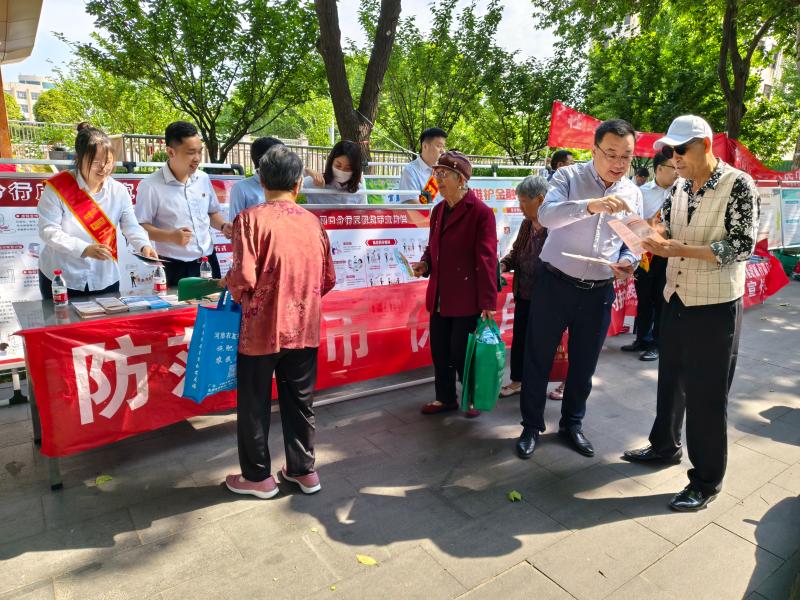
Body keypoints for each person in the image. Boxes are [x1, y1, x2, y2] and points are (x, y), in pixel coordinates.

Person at [623, 115, 759, 512]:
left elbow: (741, 246)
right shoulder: (680, 186)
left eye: (681, 150)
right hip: (676, 297)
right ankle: (664, 445)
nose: (675, 158)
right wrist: (646, 236)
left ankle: (706, 480)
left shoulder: (738, 184)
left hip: (715, 306)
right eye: (670, 151)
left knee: (707, 394)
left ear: (705, 145)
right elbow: (663, 225)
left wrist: (680, 249)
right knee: (670, 380)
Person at [516, 119, 643, 460]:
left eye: (626, 156)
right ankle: (531, 426)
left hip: (599, 289)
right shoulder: (568, 178)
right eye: (611, 154)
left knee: (584, 364)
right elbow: (547, 215)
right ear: (594, 150)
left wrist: (628, 260)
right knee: (538, 358)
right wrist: (591, 206)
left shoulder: (632, 193)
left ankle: (572, 424)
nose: (619, 163)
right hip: (555, 283)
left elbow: (634, 240)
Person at [223, 145, 336, 499]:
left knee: (254, 404)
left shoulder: (250, 220)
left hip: (260, 331)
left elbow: (243, 277)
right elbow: (328, 278)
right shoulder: (313, 222)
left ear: (261, 180)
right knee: (300, 402)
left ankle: (258, 477)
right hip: (304, 328)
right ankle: (304, 471)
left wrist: (228, 285)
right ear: (298, 184)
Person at [411, 151, 498, 418]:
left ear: (461, 179)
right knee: (440, 351)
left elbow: (487, 259)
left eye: (443, 174)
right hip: (439, 294)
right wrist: (425, 264)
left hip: (465, 297)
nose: (437, 179)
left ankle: (471, 397)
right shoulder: (438, 211)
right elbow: (432, 247)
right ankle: (445, 398)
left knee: (462, 352)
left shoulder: (480, 213)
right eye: (436, 174)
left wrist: (488, 302)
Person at [38, 123, 157, 298]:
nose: (103, 168)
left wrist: (144, 245)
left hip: (104, 276)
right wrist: (84, 249)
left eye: (108, 162)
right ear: (79, 159)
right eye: (95, 162)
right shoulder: (57, 188)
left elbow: (131, 226)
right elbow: (48, 231)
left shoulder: (118, 191)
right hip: (62, 276)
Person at [134, 121, 232, 286]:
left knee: (213, 302)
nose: (197, 158)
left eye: (200, 151)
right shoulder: (150, 186)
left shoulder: (203, 178)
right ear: (170, 152)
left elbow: (211, 212)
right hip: (175, 266)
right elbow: (140, 227)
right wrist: (170, 236)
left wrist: (223, 226)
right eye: (191, 152)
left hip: (208, 260)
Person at [499, 175, 561, 398]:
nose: (520, 206)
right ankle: (518, 380)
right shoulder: (527, 224)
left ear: (541, 199)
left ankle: (553, 382)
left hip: (548, 297)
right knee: (520, 338)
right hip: (524, 293)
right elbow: (516, 252)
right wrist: (503, 264)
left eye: (524, 201)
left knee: (546, 343)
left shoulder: (556, 227)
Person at [621, 150, 678, 361]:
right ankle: (642, 339)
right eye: (673, 167)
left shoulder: (682, 193)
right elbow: (631, 220)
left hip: (668, 253)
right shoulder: (641, 192)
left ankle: (657, 343)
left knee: (661, 300)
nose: (677, 172)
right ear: (659, 168)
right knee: (644, 298)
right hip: (644, 254)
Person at [229, 137, 325, 222]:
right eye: (282, 157)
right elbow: (235, 223)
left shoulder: (286, 179)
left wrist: (308, 171)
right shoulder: (240, 188)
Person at [302, 140, 367, 204]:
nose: (342, 171)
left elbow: (364, 210)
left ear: (355, 169)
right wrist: (306, 171)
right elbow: (296, 181)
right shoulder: (316, 182)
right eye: (338, 165)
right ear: (331, 163)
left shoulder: (359, 190)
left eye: (348, 168)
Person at [398, 127, 447, 203]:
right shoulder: (411, 171)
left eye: (443, 147)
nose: (443, 151)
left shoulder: (444, 170)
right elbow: (412, 203)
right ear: (425, 146)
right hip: (427, 211)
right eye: (439, 146)